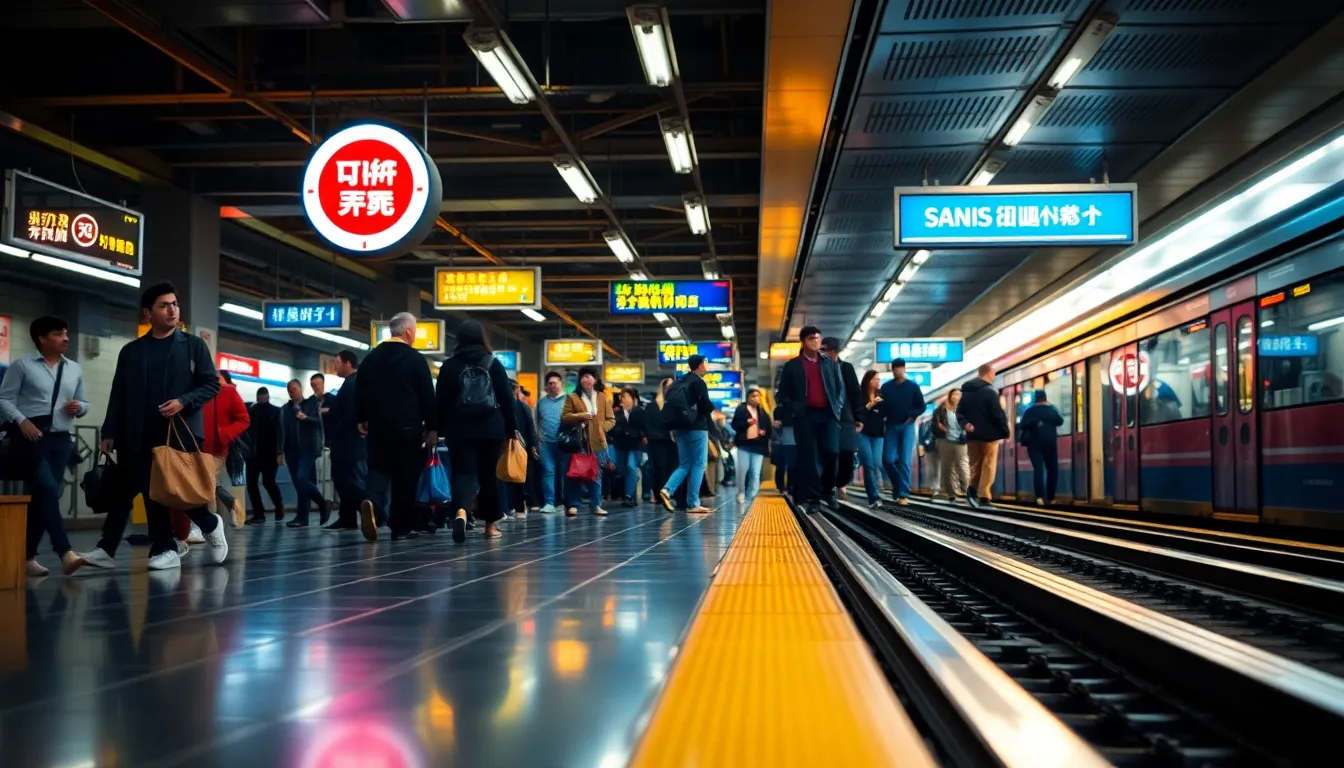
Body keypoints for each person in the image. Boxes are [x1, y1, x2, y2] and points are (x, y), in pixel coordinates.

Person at [91, 283, 227, 571]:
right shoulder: (131, 351)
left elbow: (211, 384)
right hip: (137, 432)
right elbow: (119, 392)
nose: (172, 309)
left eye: (175, 304)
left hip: (177, 430)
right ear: (147, 312)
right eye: (164, 305)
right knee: (149, 488)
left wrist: (183, 401)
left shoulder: (192, 345)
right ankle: (165, 546)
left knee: (176, 489)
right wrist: (109, 431)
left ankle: (208, 522)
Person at [0, 315, 89, 577]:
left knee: (43, 496)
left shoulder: (73, 368)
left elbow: (84, 403)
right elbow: (3, 399)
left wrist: (79, 407)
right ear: (42, 338)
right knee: (49, 488)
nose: (66, 338)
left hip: (61, 439)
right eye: (59, 334)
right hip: (30, 437)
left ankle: (26, 557)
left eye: (66, 333)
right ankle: (65, 552)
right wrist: (21, 421)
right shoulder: (22, 366)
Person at [355, 312, 437, 542]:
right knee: (405, 478)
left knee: (378, 471)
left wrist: (361, 418)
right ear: (409, 332)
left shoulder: (371, 358)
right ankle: (400, 528)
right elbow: (427, 396)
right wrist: (432, 427)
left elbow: (359, 390)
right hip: (408, 429)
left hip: (378, 428)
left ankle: (372, 501)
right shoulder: (415, 359)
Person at [435, 319, 517, 541]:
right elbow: (507, 399)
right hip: (490, 428)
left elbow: (439, 401)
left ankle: (461, 510)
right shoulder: (493, 363)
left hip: (458, 428)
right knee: (487, 475)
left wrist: (435, 428)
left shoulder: (450, 366)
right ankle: (490, 526)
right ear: (482, 338)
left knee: (462, 472)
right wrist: (511, 428)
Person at [774, 327, 846, 514]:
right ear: (803, 341)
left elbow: (840, 388)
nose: (816, 341)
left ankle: (828, 490)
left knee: (832, 452)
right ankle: (814, 498)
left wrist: (836, 409)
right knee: (809, 457)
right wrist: (796, 408)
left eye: (818, 338)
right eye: (812, 338)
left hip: (828, 415)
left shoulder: (829, 362)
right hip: (804, 417)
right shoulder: (792, 366)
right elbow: (782, 395)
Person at [657, 356, 715, 514]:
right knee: (699, 464)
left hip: (680, 428)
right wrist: (711, 407)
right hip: (697, 428)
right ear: (700, 365)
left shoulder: (679, 381)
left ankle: (667, 490)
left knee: (685, 464)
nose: (707, 366)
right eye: (706, 363)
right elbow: (705, 406)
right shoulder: (698, 382)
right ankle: (694, 503)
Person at [560, 366, 615, 516]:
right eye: (583, 376)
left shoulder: (602, 397)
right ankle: (572, 504)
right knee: (575, 472)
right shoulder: (573, 397)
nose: (586, 378)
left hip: (598, 442)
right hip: (580, 441)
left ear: (595, 379)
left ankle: (596, 504)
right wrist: (580, 416)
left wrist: (601, 428)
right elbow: (565, 416)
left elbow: (611, 419)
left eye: (589, 376)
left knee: (596, 474)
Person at [200, 370, 249, 530]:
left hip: (217, 447)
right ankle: (230, 507)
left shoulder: (228, 392)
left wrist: (225, 434)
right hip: (196, 446)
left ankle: (209, 526)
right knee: (210, 484)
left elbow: (243, 419)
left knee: (207, 484)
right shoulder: (198, 390)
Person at [324, 351, 368, 531]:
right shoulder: (349, 383)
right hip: (346, 442)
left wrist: (335, 429)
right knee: (343, 480)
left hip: (347, 442)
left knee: (348, 480)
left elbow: (350, 414)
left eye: (338, 362)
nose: (335, 366)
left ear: (349, 363)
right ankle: (347, 517)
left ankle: (374, 509)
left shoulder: (352, 385)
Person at [277, 378, 328, 527]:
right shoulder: (285, 410)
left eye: (294, 389)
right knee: (300, 483)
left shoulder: (311, 404)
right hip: (291, 451)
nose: (292, 392)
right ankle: (302, 517)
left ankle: (322, 503)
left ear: (301, 389)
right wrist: (279, 451)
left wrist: (305, 418)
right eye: (289, 390)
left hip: (308, 449)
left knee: (301, 479)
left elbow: (318, 423)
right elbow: (281, 431)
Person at [957, 363, 1010, 508]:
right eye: (993, 373)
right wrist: (1005, 431)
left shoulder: (966, 392)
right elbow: (997, 414)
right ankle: (984, 497)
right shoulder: (990, 392)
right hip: (989, 436)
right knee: (988, 465)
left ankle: (972, 489)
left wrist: (965, 424)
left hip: (972, 436)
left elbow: (959, 413)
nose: (993, 376)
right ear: (988, 373)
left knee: (975, 465)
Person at [878, 358, 926, 505]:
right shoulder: (886, 388)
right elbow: (882, 407)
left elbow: (921, 406)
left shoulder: (912, 387)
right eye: (894, 368)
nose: (896, 371)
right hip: (891, 426)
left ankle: (903, 494)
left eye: (899, 368)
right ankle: (898, 485)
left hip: (907, 426)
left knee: (904, 460)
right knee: (888, 459)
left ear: (904, 369)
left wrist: (912, 415)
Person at [821, 337, 862, 502]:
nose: (820, 353)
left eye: (823, 350)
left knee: (847, 452)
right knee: (830, 452)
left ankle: (841, 484)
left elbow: (855, 392)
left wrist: (859, 416)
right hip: (827, 418)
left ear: (833, 352)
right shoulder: (820, 369)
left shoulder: (846, 368)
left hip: (846, 417)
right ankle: (827, 487)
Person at [1018, 389, 1064, 506]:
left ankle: (1039, 497)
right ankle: (1051, 497)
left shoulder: (1030, 411)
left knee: (1038, 470)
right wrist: (1052, 408)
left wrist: (1034, 422)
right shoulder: (1051, 410)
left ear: (1035, 399)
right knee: (1052, 470)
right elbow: (1060, 421)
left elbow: (1022, 425)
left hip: (1034, 446)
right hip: (1050, 445)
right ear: (1045, 398)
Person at [245, 386, 283, 524]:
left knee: (259, 483)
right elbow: (280, 433)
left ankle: (261, 513)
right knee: (265, 483)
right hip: (265, 454)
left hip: (260, 453)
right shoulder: (275, 411)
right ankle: (275, 508)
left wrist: (279, 452)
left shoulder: (251, 411)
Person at [730, 387, 772, 504]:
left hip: (758, 445)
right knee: (743, 469)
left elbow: (769, 428)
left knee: (755, 472)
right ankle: (741, 492)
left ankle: (752, 495)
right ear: (748, 397)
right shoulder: (741, 410)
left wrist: (763, 432)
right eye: (753, 396)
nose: (756, 399)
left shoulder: (762, 412)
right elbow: (735, 425)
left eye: (758, 396)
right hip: (744, 444)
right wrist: (746, 423)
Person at [534, 371, 568, 513]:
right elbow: (536, 422)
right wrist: (537, 441)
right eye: (550, 383)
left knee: (564, 473)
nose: (553, 385)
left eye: (555, 382)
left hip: (564, 444)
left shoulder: (569, 401)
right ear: (547, 386)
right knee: (548, 471)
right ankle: (549, 502)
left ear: (561, 384)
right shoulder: (541, 403)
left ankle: (563, 501)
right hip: (546, 443)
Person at [609, 386, 646, 508]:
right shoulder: (617, 413)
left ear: (633, 398)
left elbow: (644, 428)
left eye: (626, 397)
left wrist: (635, 434)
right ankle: (631, 494)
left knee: (631, 467)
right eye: (622, 397)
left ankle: (628, 496)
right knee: (622, 469)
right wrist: (621, 431)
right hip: (621, 445)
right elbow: (612, 428)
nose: (623, 399)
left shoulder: (639, 411)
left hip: (635, 445)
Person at [932, 388, 969, 503]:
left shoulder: (965, 410)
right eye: (954, 394)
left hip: (960, 441)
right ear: (950, 396)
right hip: (945, 442)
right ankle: (951, 493)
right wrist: (940, 434)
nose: (957, 396)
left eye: (959, 394)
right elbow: (933, 425)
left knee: (962, 465)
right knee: (947, 469)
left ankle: (967, 490)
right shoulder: (941, 410)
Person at [855, 370, 886, 508]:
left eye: (878, 379)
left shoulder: (882, 396)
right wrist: (870, 405)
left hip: (878, 435)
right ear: (868, 380)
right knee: (868, 464)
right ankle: (874, 497)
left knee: (877, 463)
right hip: (863, 434)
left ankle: (876, 492)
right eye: (875, 379)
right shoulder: (859, 395)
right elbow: (857, 413)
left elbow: (885, 413)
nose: (877, 382)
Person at [508, 379, 538, 518]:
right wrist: (533, 445)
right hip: (521, 446)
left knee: (509, 476)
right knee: (519, 477)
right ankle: (520, 507)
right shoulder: (522, 406)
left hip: (509, 446)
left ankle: (512, 506)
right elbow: (530, 427)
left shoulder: (500, 406)